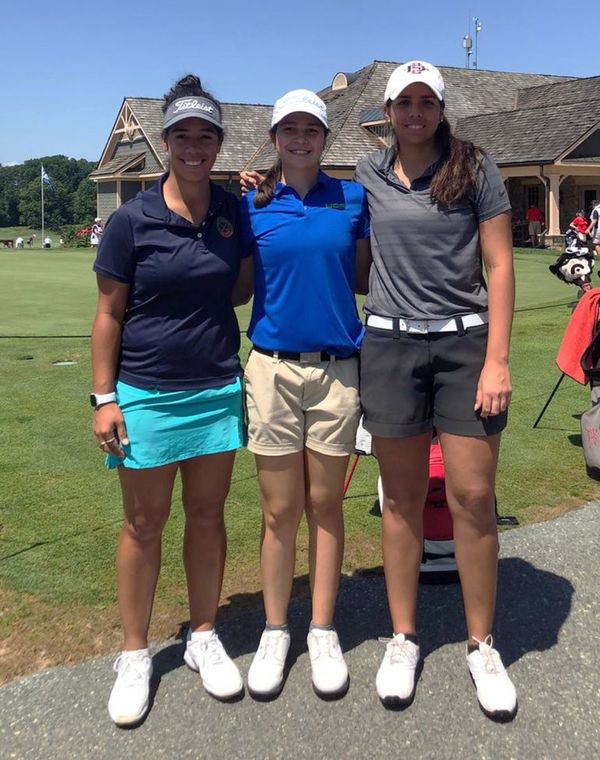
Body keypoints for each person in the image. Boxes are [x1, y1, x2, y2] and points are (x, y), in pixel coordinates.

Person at [354, 61, 517, 721]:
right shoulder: (366, 172)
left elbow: (501, 264)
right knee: (401, 498)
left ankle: (481, 643)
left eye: (427, 102)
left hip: (464, 346)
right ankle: (403, 636)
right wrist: (259, 184)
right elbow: (303, 188)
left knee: (473, 497)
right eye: (404, 103)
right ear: (389, 111)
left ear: (441, 108)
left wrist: (497, 361)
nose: (416, 113)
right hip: (390, 346)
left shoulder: (474, 168)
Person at [91, 74, 249, 727]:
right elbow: (107, 313)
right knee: (143, 525)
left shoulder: (231, 212)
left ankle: (204, 634)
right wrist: (103, 397)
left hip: (215, 386)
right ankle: (134, 653)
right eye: (181, 136)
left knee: (207, 516)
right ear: (165, 144)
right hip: (146, 392)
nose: (193, 146)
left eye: (204, 136)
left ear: (217, 144)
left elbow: (239, 292)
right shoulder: (131, 221)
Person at [239, 89, 370, 700]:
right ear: (274, 141)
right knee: (278, 511)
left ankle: (320, 628)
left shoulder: (351, 199)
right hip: (270, 369)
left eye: (310, 130)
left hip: (337, 370)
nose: (300, 139)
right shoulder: (251, 205)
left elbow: (370, 273)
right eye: (288, 130)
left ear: (324, 138)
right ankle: (274, 628)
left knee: (326, 505)